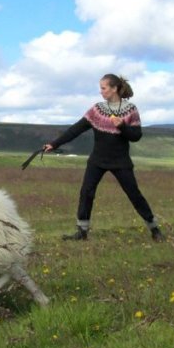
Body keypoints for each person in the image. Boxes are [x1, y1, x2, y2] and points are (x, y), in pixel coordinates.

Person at [43, 74, 164, 242]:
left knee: (134, 195)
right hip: (97, 160)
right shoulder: (97, 110)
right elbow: (76, 129)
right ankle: (82, 232)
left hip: (120, 161)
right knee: (86, 193)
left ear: (114, 88)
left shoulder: (130, 110)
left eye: (103, 88)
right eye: (100, 88)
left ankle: (155, 230)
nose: (101, 92)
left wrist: (122, 126)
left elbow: (136, 136)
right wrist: (54, 144)